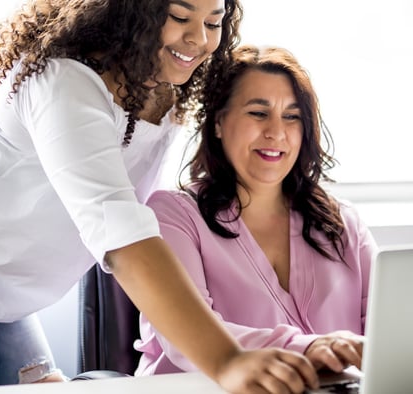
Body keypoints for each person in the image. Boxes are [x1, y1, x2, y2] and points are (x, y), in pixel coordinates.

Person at [0, 2, 320, 393]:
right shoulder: (65, 82)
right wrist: (227, 361)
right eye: (180, 15)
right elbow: (121, 231)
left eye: (214, 20)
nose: (200, 39)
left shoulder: (170, 85)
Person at [134, 45, 377, 377]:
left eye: (291, 117)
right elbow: (185, 339)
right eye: (258, 113)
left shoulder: (343, 223)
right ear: (219, 123)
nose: (276, 132)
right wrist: (307, 347)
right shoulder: (174, 215)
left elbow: (388, 329)